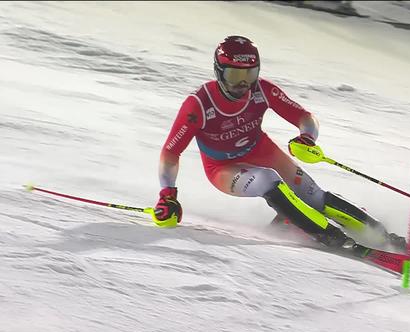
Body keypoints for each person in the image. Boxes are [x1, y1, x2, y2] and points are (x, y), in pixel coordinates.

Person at [152, 35, 395, 248]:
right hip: (222, 168)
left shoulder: (261, 90)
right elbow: (171, 153)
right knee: (269, 180)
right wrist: (167, 195)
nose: (243, 83)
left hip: (261, 150)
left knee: (313, 196)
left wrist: (307, 138)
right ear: (219, 71)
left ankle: (383, 236)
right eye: (235, 74)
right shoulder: (199, 104)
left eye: (250, 73)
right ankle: (328, 235)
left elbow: (305, 117)